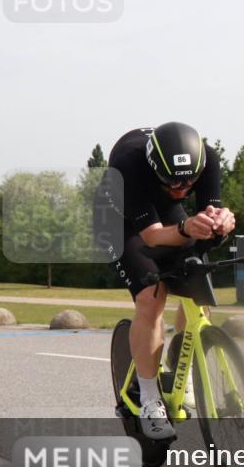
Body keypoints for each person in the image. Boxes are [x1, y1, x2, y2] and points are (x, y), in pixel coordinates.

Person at [95, 122, 235, 440]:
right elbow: (153, 237)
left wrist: (222, 222)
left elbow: (209, 216)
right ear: (156, 167)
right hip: (120, 219)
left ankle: (181, 374)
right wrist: (187, 229)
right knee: (151, 296)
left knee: (198, 282)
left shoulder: (208, 158)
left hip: (166, 214)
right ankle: (149, 400)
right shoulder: (128, 165)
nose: (181, 190)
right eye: (172, 183)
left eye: (189, 183)